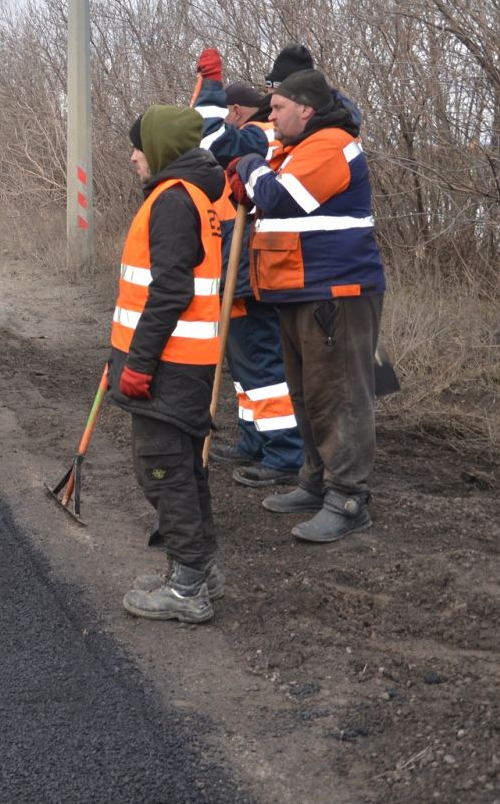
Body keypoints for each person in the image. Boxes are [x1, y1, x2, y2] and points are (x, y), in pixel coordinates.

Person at [227, 67, 385, 542]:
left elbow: (280, 199)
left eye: (276, 108)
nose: (269, 116)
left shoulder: (330, 145)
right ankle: (315, 482)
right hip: (301, 290)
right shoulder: (296, 149)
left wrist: (251, 167)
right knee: (307, 394)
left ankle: (348, 498)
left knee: (337, 396)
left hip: (334, 292)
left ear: (306, 109)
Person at [111, 105, 225, 624]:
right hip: (182, 359)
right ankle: (201, 568)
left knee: (162, 468)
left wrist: (139, 363)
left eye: (139, 146)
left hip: (170, 363)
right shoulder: (194, 195)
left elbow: (171, 291)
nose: (133, 155)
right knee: (183, 465)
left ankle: (186, 587)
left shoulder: (175, 201)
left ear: (158, 149)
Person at [192, 52, 305, 488]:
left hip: (254, 269)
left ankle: (284, 454)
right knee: (246, 367)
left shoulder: (262, 135)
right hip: (237, 270)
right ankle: (254, 439)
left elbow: (210, 142)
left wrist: (211, 88)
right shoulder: (265, 133)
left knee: (262, 366)